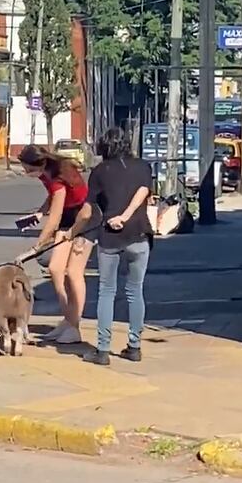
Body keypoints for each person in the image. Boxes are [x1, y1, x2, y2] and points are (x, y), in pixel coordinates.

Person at [68, 128, 153, 366]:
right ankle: (134, 347)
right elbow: (145, 192)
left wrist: (73, 232)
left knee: (107, 292)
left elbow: (87, 210)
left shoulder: (100, 171)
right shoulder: (143, 167)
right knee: (135, 291)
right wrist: (127, 215)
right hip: (139, 235)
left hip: (110, 237)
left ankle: (103, 350)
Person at [16, 145, 94, 345]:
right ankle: (68, 320)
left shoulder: (58, 176)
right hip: (68, 217)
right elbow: (53, 200)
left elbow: (55, 216)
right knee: (55, 268)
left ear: (38, 164)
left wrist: (37, 246)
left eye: (27, 169)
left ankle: (74, 325)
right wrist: (40, 212)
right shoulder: (46, 173)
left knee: (74, 272)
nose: (26, 173)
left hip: (83, 219)